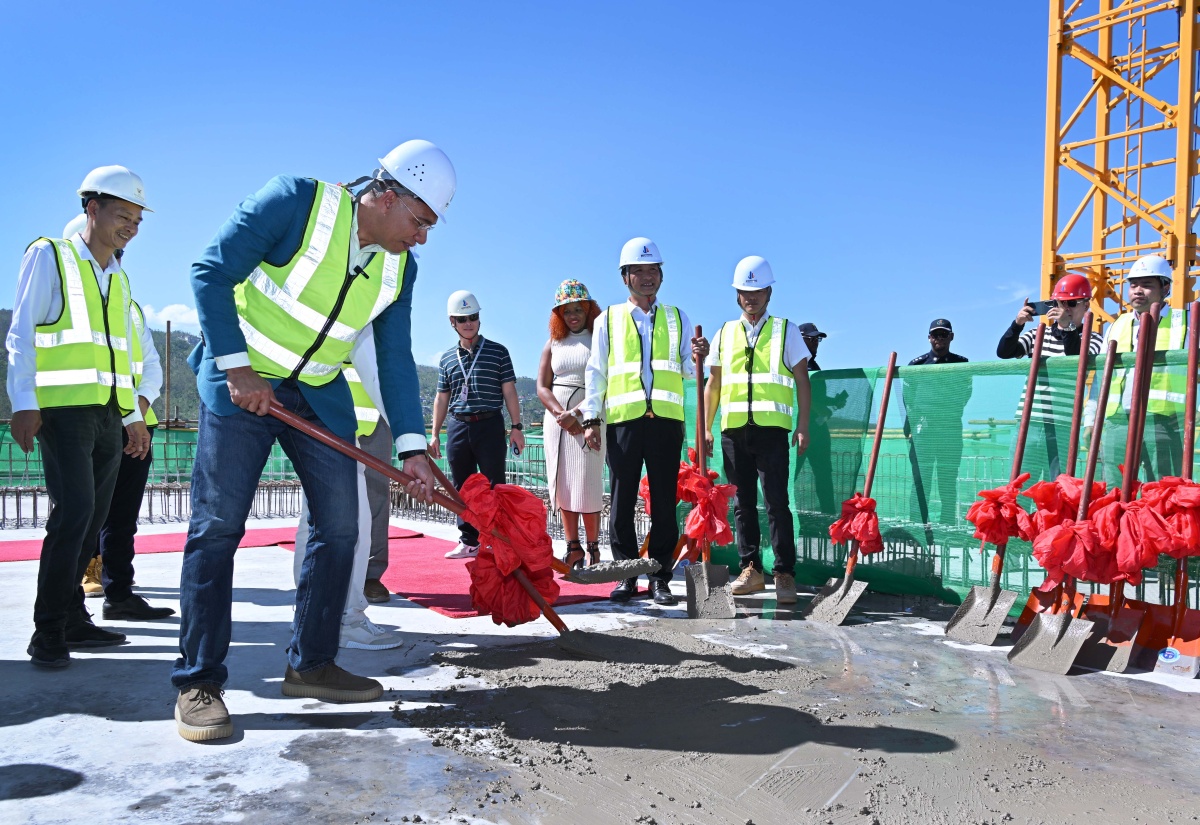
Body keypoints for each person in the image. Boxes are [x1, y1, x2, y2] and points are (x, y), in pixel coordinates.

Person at [174, 140, 451, 742]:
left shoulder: (400, 268)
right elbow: (210, 272)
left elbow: (394, 357)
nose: (423, 237)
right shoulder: (295, 202)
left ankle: (312, 663)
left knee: (341, 527)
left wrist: (413, 448)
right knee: (218, 527)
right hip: (242, 385)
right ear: (387, 195)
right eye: (421, 221)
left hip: (318, 396)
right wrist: (235, 366)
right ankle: (199, 681)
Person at [6, 166, 154, 668]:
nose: (131, 225)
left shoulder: (118, 277)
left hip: (109, 414)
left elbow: (120, 356)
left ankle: (72, 617)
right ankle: (47, 630)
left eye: (137, 219)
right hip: (63, 411)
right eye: (123, 214)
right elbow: (22, 332)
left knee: (90, 521)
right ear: (92, 208)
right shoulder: (50, 255)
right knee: (72, 516)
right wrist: (23, 401)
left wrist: (131, 415)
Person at [51, 215, 176, 622]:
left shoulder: (129, 305)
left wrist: (137, 410)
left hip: (135, 424)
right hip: (89, 421)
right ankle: (71, 602)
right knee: (81, 515)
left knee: (122, 518)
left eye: (119, 254)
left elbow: (150, 365)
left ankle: (119, 593)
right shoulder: (70, 302)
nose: (115, 259)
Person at [580, 237, 710, 606]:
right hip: (624, 422)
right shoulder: (607, 319)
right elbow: (596, 371)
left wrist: (699, 356)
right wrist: (591, 418)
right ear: (625, 277)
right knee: (622, 501)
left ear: (661, 275)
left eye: (652, 270)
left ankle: (659, 578)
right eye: (638, 271)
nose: (646, 276)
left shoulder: (677, 318)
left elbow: (688, 369)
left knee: (665, 503)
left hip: (666, 422)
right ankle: (626, 575)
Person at [702, 257, 811, 604]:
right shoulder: (724, 333)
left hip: (772, 431)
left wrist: (803, 425)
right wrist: (705, 428)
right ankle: (751, 569)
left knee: (777, 503)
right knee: (742, 504)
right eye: (745, 291)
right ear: (737, 294)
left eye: (758, 291)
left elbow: (802, 380)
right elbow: (713, 384)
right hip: (733, 433)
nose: (751, 297)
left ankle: (784, 573)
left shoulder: (786, 330)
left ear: (769, 293)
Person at [290, 328, 404, 651]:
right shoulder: (358, 313)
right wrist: (409, 438)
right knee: (346, 524)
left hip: (333, 422)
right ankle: (341, 619)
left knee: (326, 522)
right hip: (330, 423)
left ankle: (316, 615)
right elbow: (378, 374)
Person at [428, 290, 525, 559]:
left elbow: (509, 391)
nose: (468, 323)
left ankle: (497, 540)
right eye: (462, 319)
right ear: (452, 322)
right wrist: (435, 434)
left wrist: (517, 427)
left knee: (495, 486)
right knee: (462, 486)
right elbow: (441, 398)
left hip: (490, 424)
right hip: (458, 425)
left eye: (472, 317)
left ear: (479, 318)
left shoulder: (498, 352)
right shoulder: (447, 358)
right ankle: (469, 541)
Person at [1087, 254, 1187, 486]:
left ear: (1166, 288)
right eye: (1133, 285)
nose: (1138, 291)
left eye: (1146, 284)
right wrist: (1091, 419)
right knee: (1115, 491)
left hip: (1164, 422)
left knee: (1163, 491)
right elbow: (1102, 376)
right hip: (1118, 421)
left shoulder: (1185, 323)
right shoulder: (1116, 325)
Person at [997, 274, 1103, 479]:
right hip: (1028, 423)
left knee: (1058, 489)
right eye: (1059, 303)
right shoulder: (1038, 334)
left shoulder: (1094, 338)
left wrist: (1068, 327)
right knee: (1019, 487)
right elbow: (1004, 352)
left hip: (1063, 427)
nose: (1064, 308)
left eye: (1071, 303)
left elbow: (1076, 359)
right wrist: (1017, 324)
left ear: (1086, 305)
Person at [536, 279, 604, 568]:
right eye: (566, 310)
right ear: (558, 315)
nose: (573, 315)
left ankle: (594, 549)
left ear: (589, 310)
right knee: (562, 483)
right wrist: (560, 415)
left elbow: (605, 383)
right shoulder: (553, 343)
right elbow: (542, 386)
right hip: (557, 424)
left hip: (590, 419)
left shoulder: (599, 339)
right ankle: (573, 546)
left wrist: (576, 414)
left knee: (588, 483)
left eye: (578, 308)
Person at [904, 319, 971, 524]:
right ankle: (917, 525)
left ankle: (947, 526)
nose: (939, 338)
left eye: (944, 334)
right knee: (921, 479)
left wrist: (946, 413)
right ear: (929, 338)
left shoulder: (962, 364)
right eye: (935, 335)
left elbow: (965, 394)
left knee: (948, 480)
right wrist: (910, 425)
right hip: (923, 430)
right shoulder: (917, 365)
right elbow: (908, 398)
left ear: (951, 337)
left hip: (950, 428)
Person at [793, 321, 845, 513]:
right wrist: (819, 408)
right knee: (790, 473)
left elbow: (816, 396)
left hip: (818, 430)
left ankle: (828, 516)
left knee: (824, 474)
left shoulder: (814, 365)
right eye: (810, 339)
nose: (815, 343)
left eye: (817, 340)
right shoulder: (791, 363)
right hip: (798, 430)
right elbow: (797, 392)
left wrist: (832, 402)